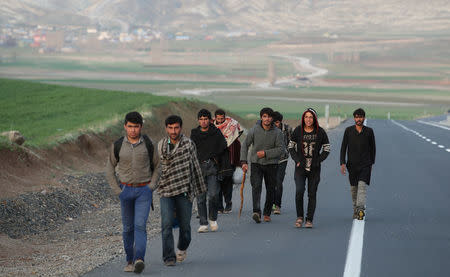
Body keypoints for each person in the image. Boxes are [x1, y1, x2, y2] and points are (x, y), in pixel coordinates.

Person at [150, 115, 206, 266]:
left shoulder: (188, 144)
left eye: (176, 128)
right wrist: (149, 188)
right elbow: (156, 169)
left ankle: (182, 247)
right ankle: (169, 257)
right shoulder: (160, 145)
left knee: (185, 227)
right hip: (166, 190)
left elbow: (195, 166)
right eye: (170, 128)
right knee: (166, 223)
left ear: (181, 128)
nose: (173, 131)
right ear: (166, 128)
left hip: (184, 190)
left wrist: (200, 190)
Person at [106, 111, 156, 273]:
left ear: (141, 127)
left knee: (140, 225)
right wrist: (117, 190)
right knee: (128, 228)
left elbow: (158, 166)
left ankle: (139, 259)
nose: (133, 130)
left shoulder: (148, 144)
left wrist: (152, 185)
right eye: (130, 126)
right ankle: (129, 259)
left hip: (144, 191)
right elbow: (109, 169)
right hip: (125, 190)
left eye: (136, 126)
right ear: (125, 126)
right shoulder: (118, 145)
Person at [288, 108, 330, 228]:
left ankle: (309, 219)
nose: (308, 119)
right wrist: (296, 160)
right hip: (300, 168)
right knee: (299, 191)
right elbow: (291, 147)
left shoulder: (320, 132)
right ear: (303, 118)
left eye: (311, 117)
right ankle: (299, 217)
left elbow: (327, 149)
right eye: (306, 117)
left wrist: (318, 160)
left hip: (314, 169)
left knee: (312, 194)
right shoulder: (298, 130)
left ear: (314, 119)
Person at [240, 107, 283, 223]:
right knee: (256, 186)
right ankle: (256, 212)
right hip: (256, 163)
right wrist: (243, 161)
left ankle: (267, 212)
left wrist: (266, 153)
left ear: (272, 118)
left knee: (270, 189)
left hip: (272, 164)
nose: (267, 119)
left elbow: (281, 150)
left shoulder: (278, 133)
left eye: (269, 116)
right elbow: (245, 145)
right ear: (261, 118)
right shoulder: (254, 130)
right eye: (264, 116)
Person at [190, 109, 228, 232]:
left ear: (210, 120)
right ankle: (203, 223)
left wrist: (222, 167)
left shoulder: (216, 133)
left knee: (213, 195)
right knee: (200, 197)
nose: (203, 121)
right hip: (198, 168)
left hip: (212, 167)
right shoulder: (194, 134)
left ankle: (212, 218)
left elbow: (223, 148)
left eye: (205, 119)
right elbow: (191, 150)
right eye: (201, 119)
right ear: (198, 120)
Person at [340, 108, 376, 220]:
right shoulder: (348, 131)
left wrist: (371, 164)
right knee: (353, 189)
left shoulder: (369, 131)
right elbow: (343, 148)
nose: (358, 119)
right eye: (356, 117)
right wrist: (342, 163)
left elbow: (373, 149)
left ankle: (361, 209)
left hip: (365, 165)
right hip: (352, 165)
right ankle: (355, 209)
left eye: (360, 117)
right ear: (354, 118)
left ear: (364, 118)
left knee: (362, 186)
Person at [214, 109, 243, 214]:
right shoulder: (212, 128)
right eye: (218, 119)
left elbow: (236, 141)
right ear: (215, 118)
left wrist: (239, 162)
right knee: (217, 182)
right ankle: (219, 206)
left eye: (222, 118)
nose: (220, 121)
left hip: (229, 158)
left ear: (224, 117)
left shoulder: (232, 125)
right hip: (217, 159)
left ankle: (228, 202)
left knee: (227, 182)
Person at [272, 111, 292, 215]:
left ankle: (277, 205)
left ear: (280, 122)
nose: (276, 125)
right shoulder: (268, 129)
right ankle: (271, 202)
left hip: (282, 159)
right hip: (270, 159)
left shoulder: (287, 129)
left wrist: (287, 151)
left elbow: (292, 142)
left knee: (279, 182)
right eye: (274, 122)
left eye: (277, 123)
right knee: (271, 182)